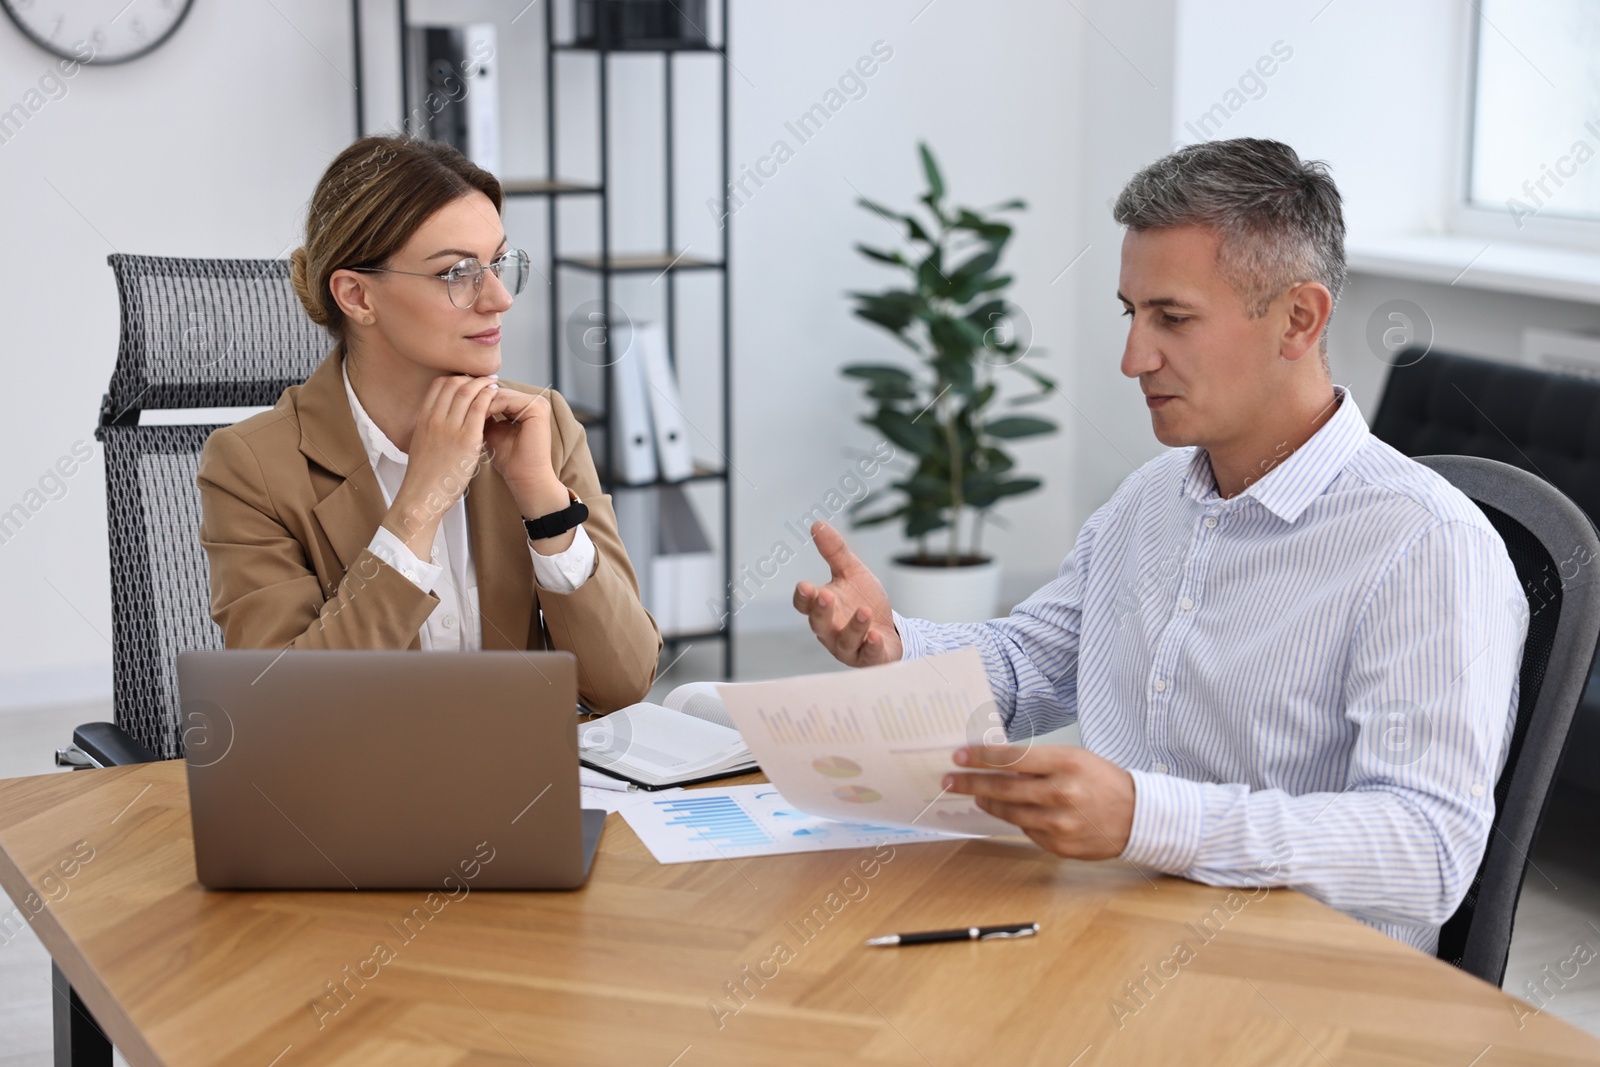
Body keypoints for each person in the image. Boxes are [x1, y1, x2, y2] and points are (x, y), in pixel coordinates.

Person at [792, 138, 1527, 953]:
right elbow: (1031, 664)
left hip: (1301, 990)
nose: (1133, 358)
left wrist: (1148, 818)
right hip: (1114, 931)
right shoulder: (1150, 499)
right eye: (1130, 313)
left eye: (1172, 318)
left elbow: (1427, 850)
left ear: (1298, 319)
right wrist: (896, 643)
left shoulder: (1427, 546)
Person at [197, 135, 660, 713]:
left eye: (498, 265)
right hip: (357, 796)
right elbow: (286, 711)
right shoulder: (250, 468)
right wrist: (417, 505)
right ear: (358, 295)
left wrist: (545, 505)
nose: (498, 298)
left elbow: (624, 683)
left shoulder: (543, 424)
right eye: (458, 272)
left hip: (522, 789)